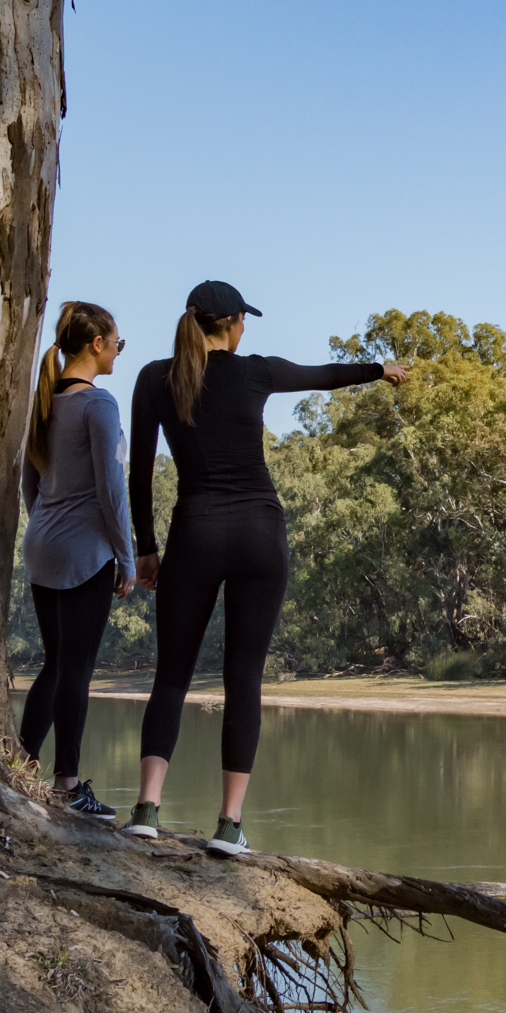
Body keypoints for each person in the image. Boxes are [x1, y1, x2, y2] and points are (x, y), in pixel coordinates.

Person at [123, 280, 408, 853]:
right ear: (229, 323)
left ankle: (147, 809)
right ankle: (229, 825)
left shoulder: (155, 378)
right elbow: (323, 375)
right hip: (259, 533)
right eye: (243, 320)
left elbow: (139, 472)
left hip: (194, 533)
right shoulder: (254, 371)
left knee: (172, 676)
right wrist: (380, 370)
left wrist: (147, 549)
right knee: (243, 679)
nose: (246, 328)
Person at [18, 300, 137, 820]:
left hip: (42, 547)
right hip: (85, 554)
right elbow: (114, 489)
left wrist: (45, 523)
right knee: (77, 670)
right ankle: (68, 783)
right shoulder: (99, 405)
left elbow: (30, 483)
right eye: (118, 343)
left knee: (53, 663)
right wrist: (127, 557)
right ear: (97, 344)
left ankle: (19, 764)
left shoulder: (43, 403)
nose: (118, 351)